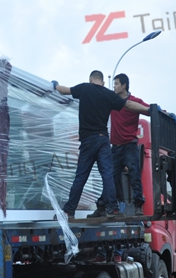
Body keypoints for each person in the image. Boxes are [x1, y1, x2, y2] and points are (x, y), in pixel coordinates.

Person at [52, 71, 150, 219]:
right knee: (108, 175)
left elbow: (64, 90)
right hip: (103, 140)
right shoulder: (108, 94)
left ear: (90, 79)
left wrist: (56, 85)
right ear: (103, 82)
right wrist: (150, 110)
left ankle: (68, 211)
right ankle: (112, 209)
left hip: (87, 141)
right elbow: (129, 104)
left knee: (81, 177)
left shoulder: (84, 88)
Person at [90, 73, 150, 217]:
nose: (114, 87)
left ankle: (138, 206)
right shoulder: (112, 100)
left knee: (134, 175)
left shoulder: (135, 101)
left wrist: (164, 112)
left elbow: (149, 110)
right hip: (116, 147)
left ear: (124, 85)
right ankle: (102, 206)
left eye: (116, 84)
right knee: (109, 177)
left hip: (129, 146)